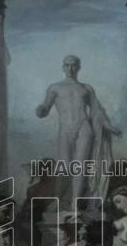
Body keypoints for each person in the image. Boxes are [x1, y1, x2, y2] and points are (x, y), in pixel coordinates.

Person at [35, 54, 121, 200]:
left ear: (79, 68)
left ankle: (75, 203)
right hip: (65, 127)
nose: (70, 68)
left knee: (80, 167)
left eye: (73, 65)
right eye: (67, 65)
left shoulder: (86, 88)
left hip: (84, 127)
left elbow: (97, 110)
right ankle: (63, 199)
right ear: (63, 67)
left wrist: (108, 126)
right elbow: (45, 108)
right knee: (65, 166)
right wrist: (41, 110)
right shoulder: (55, 88)